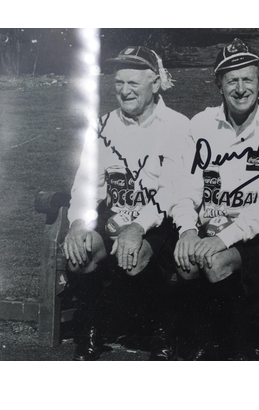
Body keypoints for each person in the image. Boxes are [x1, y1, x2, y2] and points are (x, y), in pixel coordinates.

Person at [63, 46, 193, 361]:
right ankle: (92, 334)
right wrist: (78, 223)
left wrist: (137, 226)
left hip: (157, 224)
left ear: (155, 83)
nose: (124, 91)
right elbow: (84, 183)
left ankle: (162, 332)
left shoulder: (177, 126)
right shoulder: (102, 125)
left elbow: (173, 191)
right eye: (119, 83)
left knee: (135, 258)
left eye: (133, 83)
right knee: (82, 252)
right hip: (113, 218)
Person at [172, 38, 259, 360]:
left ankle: (236, 350)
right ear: (219, 85)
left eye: (248, 79)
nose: (240, 89)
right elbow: (185, 186)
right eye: (231, 80)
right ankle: (199, 345)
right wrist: (187, 230)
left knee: (215, 260)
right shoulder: (200, 124)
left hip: (257, 238)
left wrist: (222, 239)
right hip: (208, 229)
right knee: (187, 258)